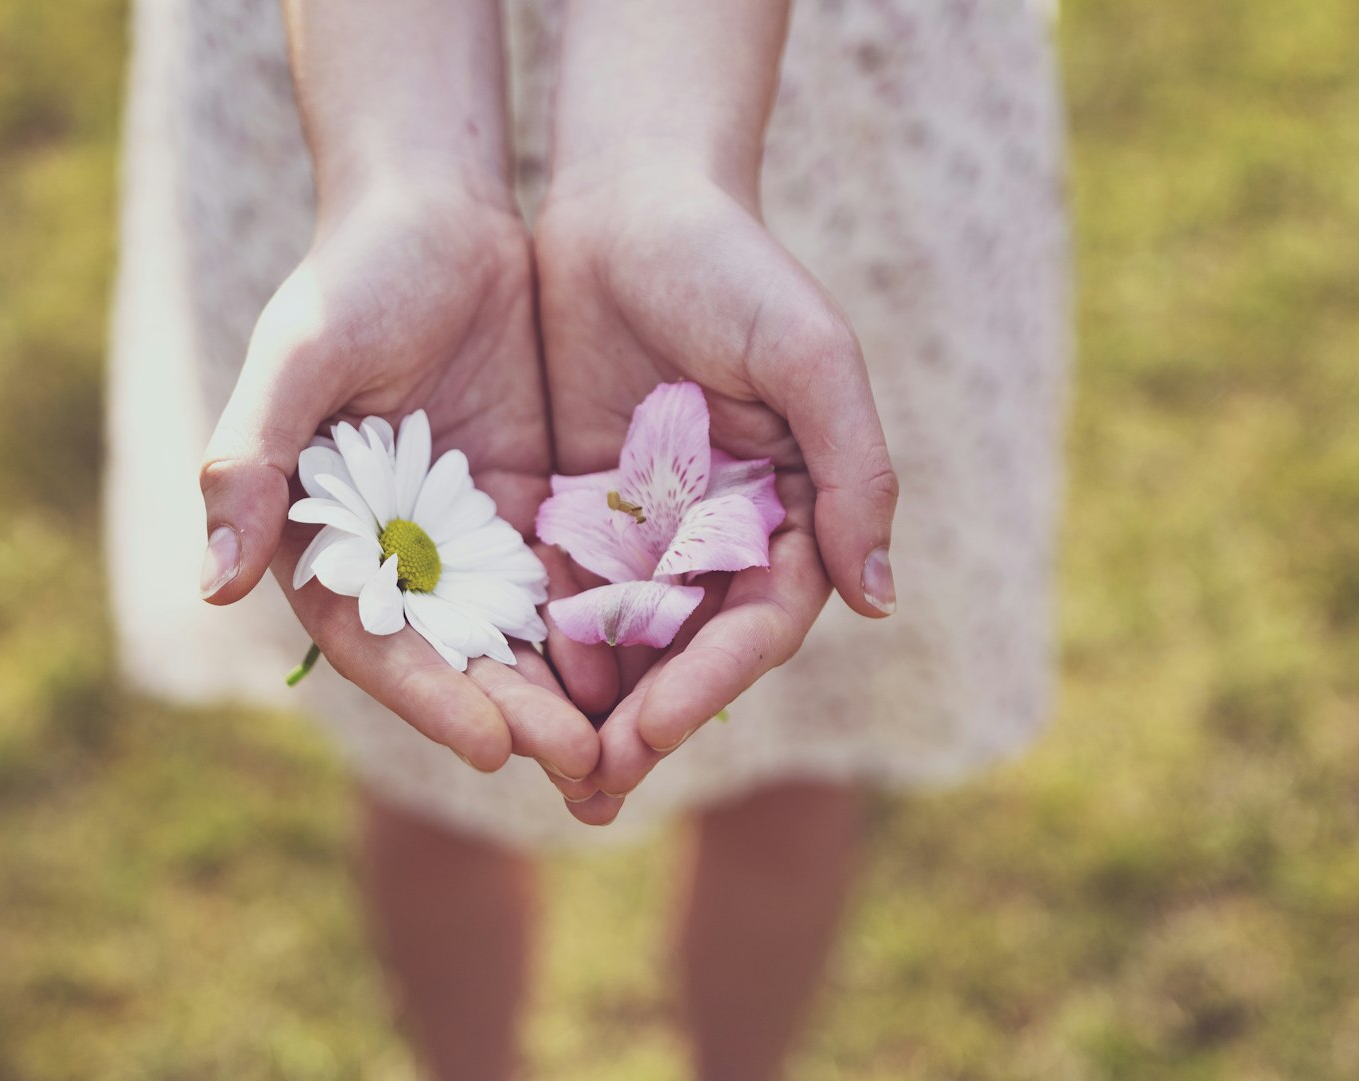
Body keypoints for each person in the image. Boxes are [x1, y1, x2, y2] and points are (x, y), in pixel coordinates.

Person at [105, 0, 1070, 1077]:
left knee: (797, 742)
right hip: (356, 56)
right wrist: (401, 178)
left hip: (807, 88)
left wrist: (656, 172)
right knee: (425, 761)